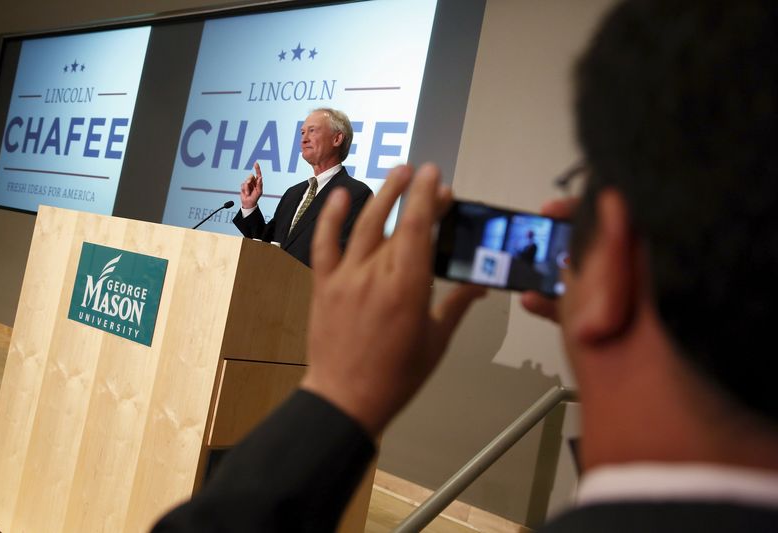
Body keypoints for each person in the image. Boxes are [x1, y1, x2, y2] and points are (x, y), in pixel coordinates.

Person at [155, 0, 778, 531]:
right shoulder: (291, 191)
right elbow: (267, 248)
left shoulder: (359, 197)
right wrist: (250, 213)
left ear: (611, 266)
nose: (302, 141)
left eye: (582, 186)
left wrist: (337, 402)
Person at [232, 108, 373, 267]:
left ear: (337, 139)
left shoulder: (356, 194)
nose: (303, 139)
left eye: (312, 131)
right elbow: (267, 244)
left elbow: (346, 257)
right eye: (302, 132)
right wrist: (249, 206)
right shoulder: (293, 193)